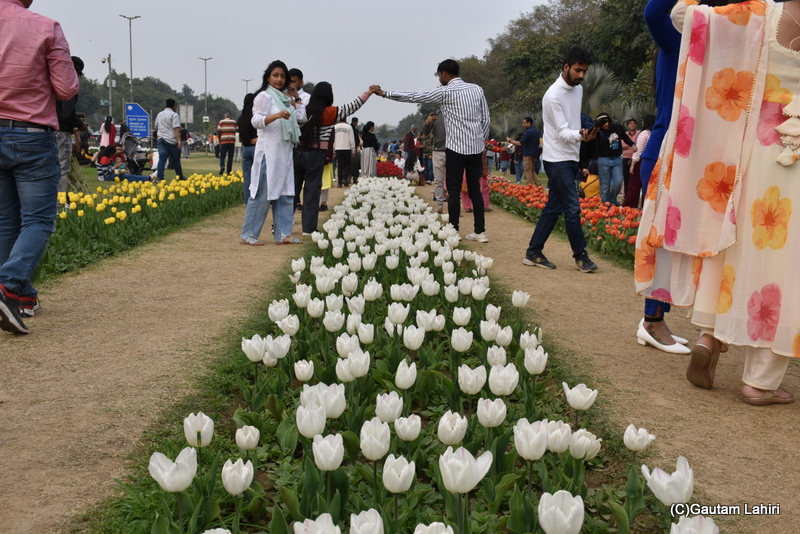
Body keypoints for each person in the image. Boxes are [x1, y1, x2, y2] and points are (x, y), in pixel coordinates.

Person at [636, 0, 800, 405]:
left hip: (755, 153)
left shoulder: (761, 13)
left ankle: (710, 336)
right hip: (794, 163)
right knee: (783, 266)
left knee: (734, 247)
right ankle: (760, 382)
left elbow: (672, 15)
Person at [634, 0, 737, 354]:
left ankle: (657, 317)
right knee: (661, 238)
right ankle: (651, 321)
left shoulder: (704, 42)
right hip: (665, 151)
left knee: (679, 239)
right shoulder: (675, 35)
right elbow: (652, 12)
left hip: (689, 156)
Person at [0, 0, 80, 334]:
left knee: (6, 221)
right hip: (31, 133)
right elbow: (66, 88)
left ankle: (21, 295)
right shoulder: (45, 27)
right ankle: (8, 286)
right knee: (38, 220)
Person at [374, 59, 491, 243]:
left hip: (455, 149)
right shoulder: (477, 89)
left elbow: (415, 96)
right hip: (475, 149)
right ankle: (480, 231)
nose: (439, 79)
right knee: (475, 189)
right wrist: (479, 142)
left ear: (444, 74)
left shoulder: (445, 92)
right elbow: (486, 119)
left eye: (439, 76)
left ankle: (454, 231)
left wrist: (386, 94)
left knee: (453, 190)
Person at [522, 45, 599, 273]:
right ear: (566, 67)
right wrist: (582, 136)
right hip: (557, 160)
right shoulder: (552, 96)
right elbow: (564, 132)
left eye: (584, 71)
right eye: (577, 70)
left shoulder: (578, 89)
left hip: (572, 156)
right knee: (572, 208)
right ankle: (581, 256)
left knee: (553, 209)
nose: (581, 75)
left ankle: (533, 252)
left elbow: (574, 122)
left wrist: (587, 130)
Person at [294, 82, 375, 235]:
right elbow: (353, 106)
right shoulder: (331, 112)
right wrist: (368, 93)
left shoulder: (304, 110)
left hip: (297, 152)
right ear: (329, 96)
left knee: (292, 190)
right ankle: (308, 228)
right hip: (316, 154)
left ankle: (282, 226)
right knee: (311, 192)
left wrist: (296, 98)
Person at [240, 60, 305, 245]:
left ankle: (283, 234)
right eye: (275, 75)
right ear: (268, 77)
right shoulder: (264, 96)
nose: (279, 79)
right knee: (261, 193)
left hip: (284, 152)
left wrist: (296, 98)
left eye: (283, 76)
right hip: (268, 153)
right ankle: (248, 235)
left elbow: (302, 118)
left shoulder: (285, 98)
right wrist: (277, 115)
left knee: (285, 193)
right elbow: (256, 121)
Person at [55, 56, 86, 196]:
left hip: (48, 129)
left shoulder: (54, 80)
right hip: (61, 132)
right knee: (62, 169)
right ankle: (60, 203)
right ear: (77, 71)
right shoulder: (69, 84)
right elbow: (67, 114)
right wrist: (80, 125)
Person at [590, 113, 635, 205]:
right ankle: (605, 204)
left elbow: (625, 137)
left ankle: (612, 199)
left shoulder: (617, 127)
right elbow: (592, 144)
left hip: (616, 159)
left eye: (606, 122)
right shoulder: (598, 132)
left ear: (609, 120)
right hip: (603, 159)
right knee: (605, 184)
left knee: (618, 182)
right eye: (602, 124)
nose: (605, 125)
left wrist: (632, 145)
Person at [622, 114, 654, 208]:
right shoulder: (654, 133)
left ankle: (630, 205)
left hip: (640, 162)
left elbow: (638, 150)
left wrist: (633, 164)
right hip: (651, 161)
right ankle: (645, 206)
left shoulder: (644, 133)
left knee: (634, 186)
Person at [422, 109, 447, 213]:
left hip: (454, 151)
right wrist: (427, 122)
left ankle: (454, 207)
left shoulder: (457, 112)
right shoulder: (436, 114)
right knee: (438, 180)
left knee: (454, 181)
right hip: (438, 151)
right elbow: (425, 133)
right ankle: (439, 205)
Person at [154, 99, 184, 182]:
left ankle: (160, 178)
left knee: (162, 159)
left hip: (161, 139)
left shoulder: (159, 114)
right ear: (174, 106)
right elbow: (176, 128)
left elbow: (156, 126)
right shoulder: (174, 115)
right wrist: (179, 141)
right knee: (176, 160)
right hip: (172, 141)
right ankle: (180, 176)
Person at [507, 117, 542, 187]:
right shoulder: (536, 131)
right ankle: (538, 185)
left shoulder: (528, 132)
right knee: (532, 170)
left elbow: (520, 143)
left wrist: (510, 141)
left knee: (527, 171)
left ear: (529, 123)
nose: (523, 124)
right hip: (534, 153)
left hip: (528, 153)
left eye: (524, 123)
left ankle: (529, 186)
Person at [237, 93, 258, 204]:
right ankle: (257, 199)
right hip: (256, 148)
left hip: (245, 149)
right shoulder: (255, 116)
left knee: (247, 176)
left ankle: (247, 200)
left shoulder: (241, 118)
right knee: (258, 176)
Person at [333, 117, 356, 187]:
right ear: (345, 119)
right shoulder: (348, 127)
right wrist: (353, 149)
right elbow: (352, 139)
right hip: (346, 148)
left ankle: (339, 182)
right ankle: (345, 178)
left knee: (340, 165)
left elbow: (333, 139)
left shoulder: (335, 127)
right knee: (347, 165)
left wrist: (333, 150)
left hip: (338, 148)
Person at [621, 118, 639, 198]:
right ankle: (626, 196)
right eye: (630, 123)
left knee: (635, 178)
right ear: (628, 126)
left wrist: (629, 144)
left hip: (636, 158)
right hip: (626, 158)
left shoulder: (639, 133)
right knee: (626, 178)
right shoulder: (624, 134)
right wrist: (632, 144)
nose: (632, 125)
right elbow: (622, 146)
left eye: (634, 123)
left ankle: (634, 196)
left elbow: (640, 145)